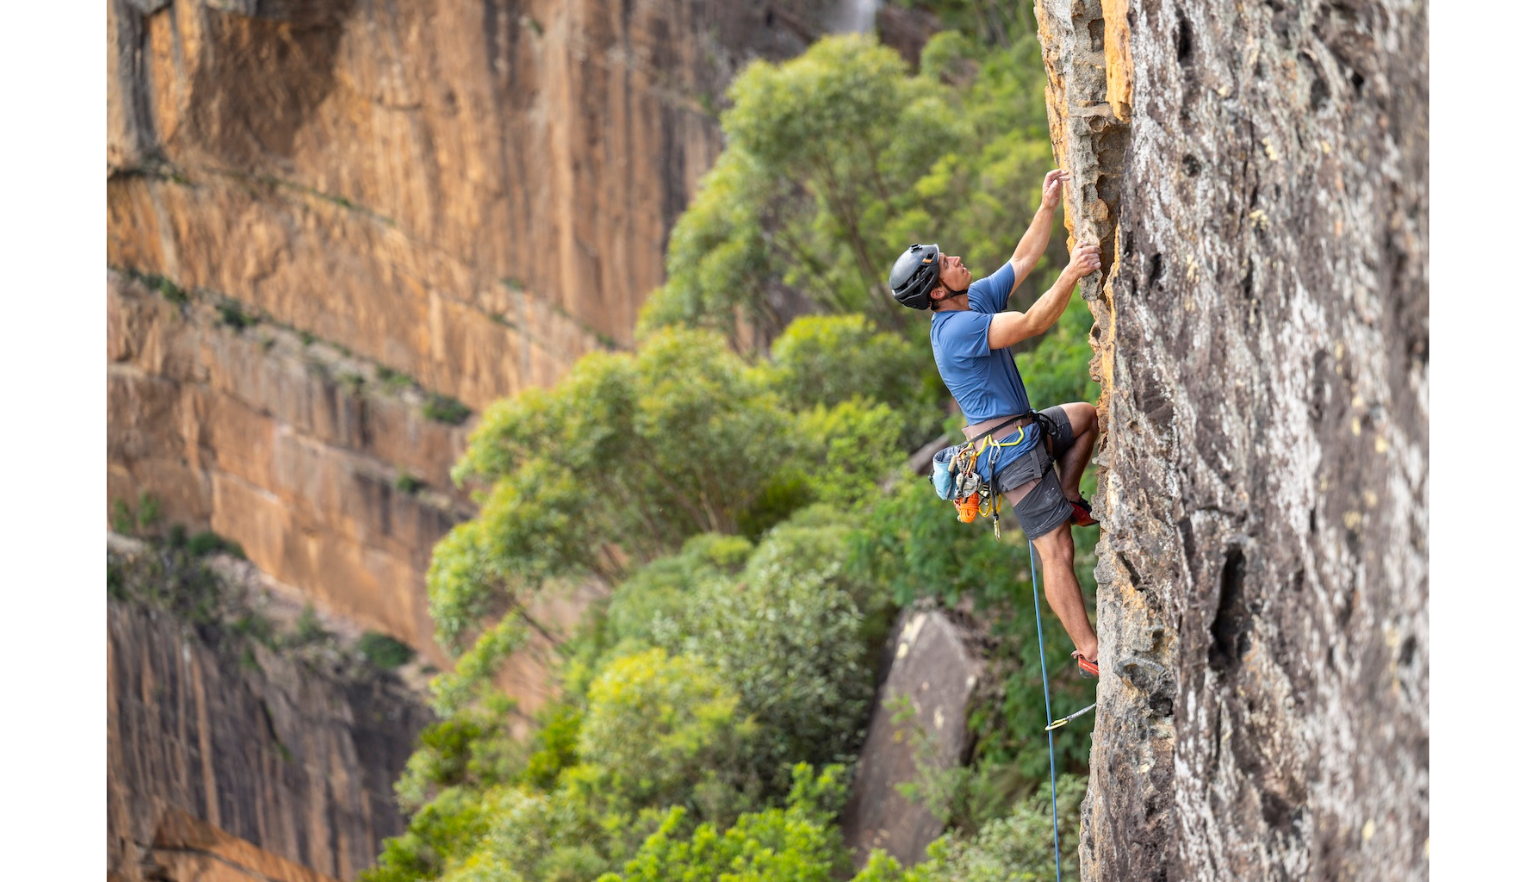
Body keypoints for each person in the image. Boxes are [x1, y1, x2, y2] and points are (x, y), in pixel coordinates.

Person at [888, 169, 1104, 677]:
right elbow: (1031, 323)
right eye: (945, 263)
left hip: (1025, 430)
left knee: (1085, 418)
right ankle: (1090, 651)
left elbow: (1022, 260)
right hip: (1007, 454)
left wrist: (1047, 205)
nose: (956, 259)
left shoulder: (973, 299)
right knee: (1056, 550)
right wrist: (1071, 274)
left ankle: (1069, 497)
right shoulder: (955, 330)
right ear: (937, 291)